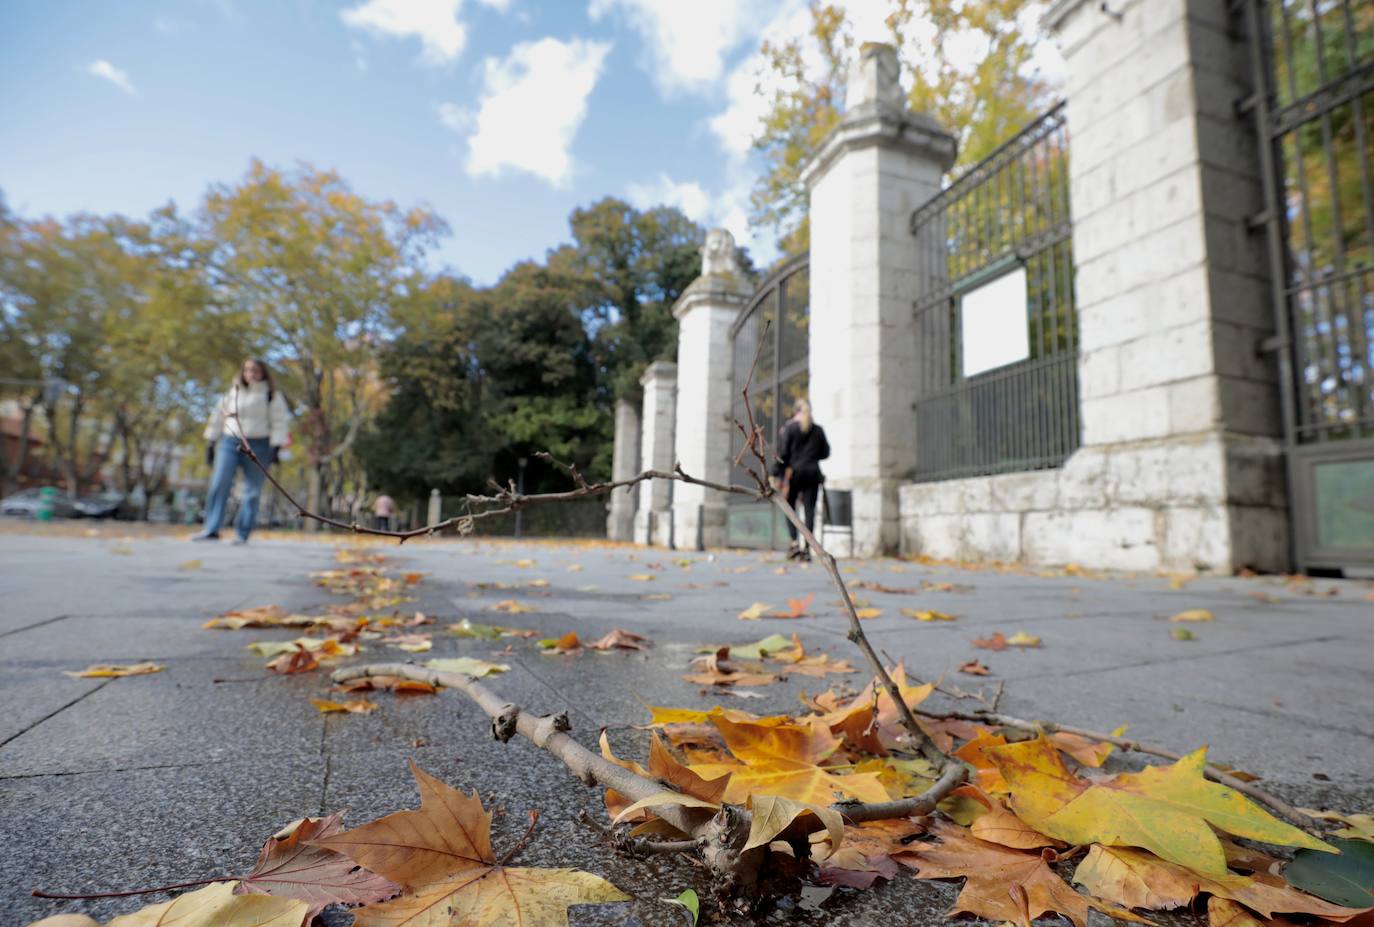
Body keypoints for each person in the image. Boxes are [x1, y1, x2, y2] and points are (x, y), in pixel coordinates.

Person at [194, 358, 289, 544]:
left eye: (256, 370)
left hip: (259, 444)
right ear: (242, 372)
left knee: (252, 491)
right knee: (220, 483)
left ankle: (242, 533)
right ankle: (211, 528)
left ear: (263, 373)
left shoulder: (271, 395)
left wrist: (276, 447)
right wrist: (210, 442)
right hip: (230, 441)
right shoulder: (232, 392)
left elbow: (279, 422)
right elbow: (217, 416)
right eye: (248, 370)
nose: (251, 374)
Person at [772, 397, 829, 561]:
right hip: (812, 473)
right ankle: (807, 549)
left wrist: (775, 472)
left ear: (795, 412)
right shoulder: (818, 430)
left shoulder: (790, 429)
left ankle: (794, 542)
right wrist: (811, 455)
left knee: (790, 508)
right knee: (810, 510)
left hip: (794, 474)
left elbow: (783, 454)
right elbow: (825, 452)